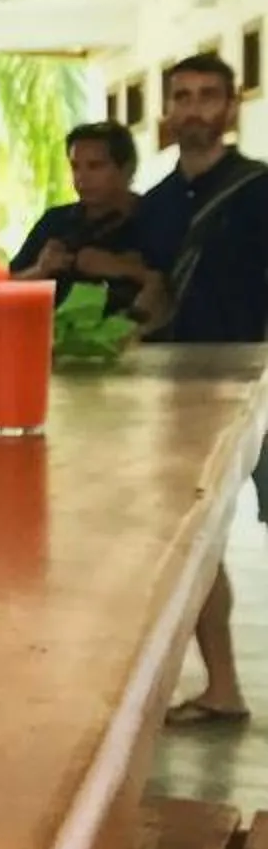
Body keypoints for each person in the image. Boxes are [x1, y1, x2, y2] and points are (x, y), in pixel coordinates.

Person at [136, 54, 268, 728]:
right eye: (182, 96)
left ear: (230, 107)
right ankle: (223, 688)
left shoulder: (259, 190)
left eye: (207, 96)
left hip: (259, 380)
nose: (193, 109)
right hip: (179, 391)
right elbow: (149, 295)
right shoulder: (155, 206)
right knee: (195, 542)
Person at [11, 121, 155, 319]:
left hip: (136, 335)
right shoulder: (55, 221)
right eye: (75, 167)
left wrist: (122, 268)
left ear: (126, 169)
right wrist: (40, 270)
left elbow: (176, 287)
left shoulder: (154, 217)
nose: (82, 178)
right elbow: (4, 290)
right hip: (56, 333)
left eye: (95, 166)